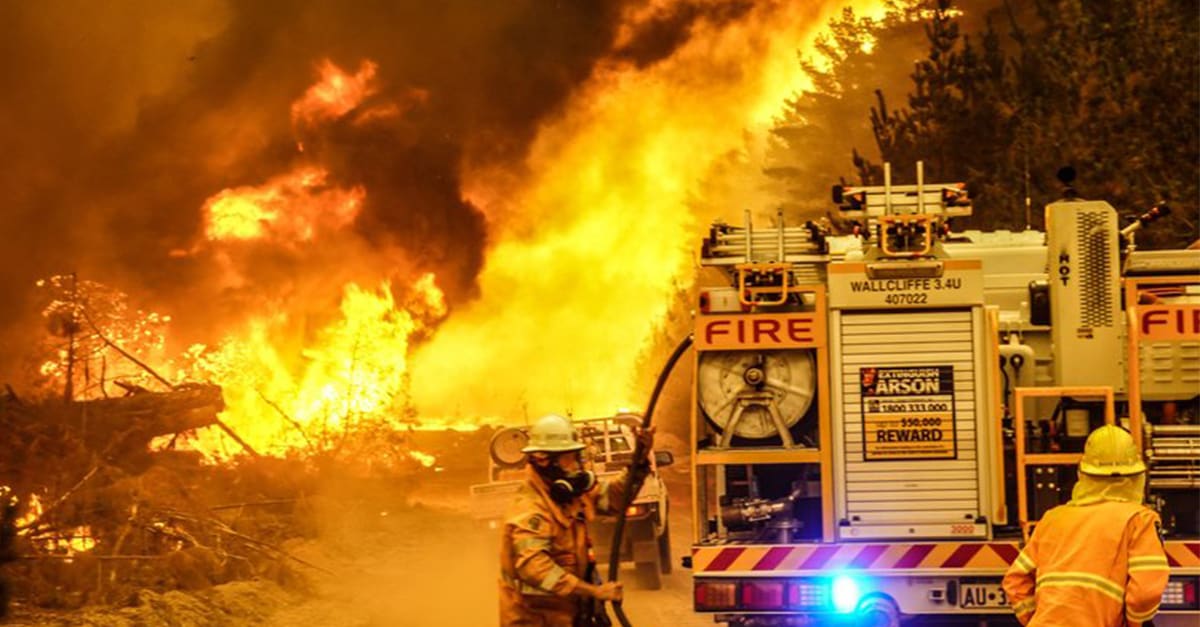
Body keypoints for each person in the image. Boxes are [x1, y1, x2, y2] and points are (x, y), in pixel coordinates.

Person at [1002, 424, 1169, 626]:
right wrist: (1133, 623)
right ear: (1137, 477)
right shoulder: (1139, 520)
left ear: (1083, 474)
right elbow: (1145, 593)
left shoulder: (1052, 519)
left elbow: (1015, 581)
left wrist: (1036, 619)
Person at [498, 414, 653, 626]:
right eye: (570, 458)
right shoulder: (529, 509)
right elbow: (534, 567)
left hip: (570, 616)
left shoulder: (569, 495)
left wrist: (640, 460)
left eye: (578, 457)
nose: (577, 466)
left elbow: (615, 498)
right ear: (544, 459)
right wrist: (594, 591)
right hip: (536, 620)